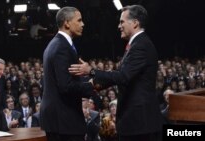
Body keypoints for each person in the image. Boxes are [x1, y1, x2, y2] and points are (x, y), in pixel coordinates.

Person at [69, 5, 162, 141]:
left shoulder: (141, 45)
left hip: (140, 123)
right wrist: (94, 85)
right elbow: (121, 74)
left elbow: (123, 76)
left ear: (135, 23)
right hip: (137, 122)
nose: (119, 26)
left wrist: (91, 71)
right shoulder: (137, 44)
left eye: (122, 22)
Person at [40, 6, 95, 141]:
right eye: (79, 20)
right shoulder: (62, 47)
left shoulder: (56, 44)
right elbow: (66, 86)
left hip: (59, 119)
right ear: (67, 23)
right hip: (64, 121)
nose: (83, 24)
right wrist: (90, 85)